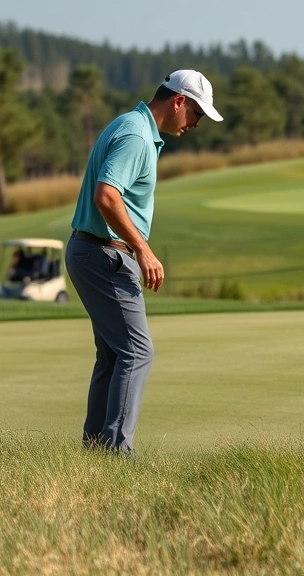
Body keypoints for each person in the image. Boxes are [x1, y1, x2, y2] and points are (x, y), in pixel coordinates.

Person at [65, 70, 223, 456]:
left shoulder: (130, 125)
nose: (196, 124)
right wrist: (143, 248)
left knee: (114, 352)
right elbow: (107, 196)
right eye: (197, 115)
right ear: (179, 101)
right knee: (137, 351)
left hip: (92, 251)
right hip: (105, 254)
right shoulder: (137, 135)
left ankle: (96, 450)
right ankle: (118, 452)